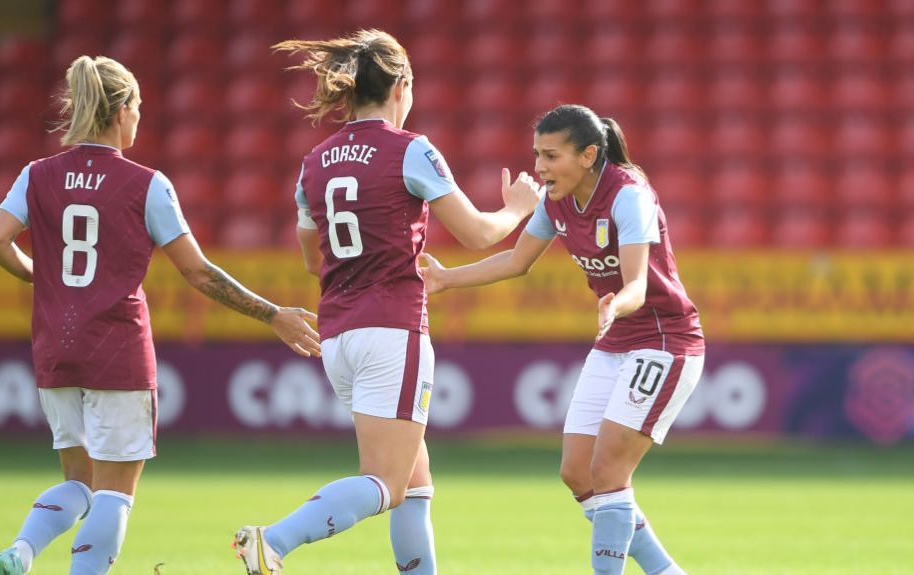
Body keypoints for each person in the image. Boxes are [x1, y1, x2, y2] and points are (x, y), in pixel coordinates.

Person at [0, 55, 321, 575]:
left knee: (78, 483)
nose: (140, 117)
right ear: (120, 110)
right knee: (116, 492)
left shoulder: (36, 175)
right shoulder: (147, 184)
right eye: (138, 107)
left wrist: (40, 274)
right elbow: (199, 273)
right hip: (116, 349)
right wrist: (273, 313)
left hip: (55, 345)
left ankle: (22, 551)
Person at [231, 29, 542, 575]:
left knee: (415, 483)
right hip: (392, 329)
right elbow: (476, 233)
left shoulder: (316, 162)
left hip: (338, 335)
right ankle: (273, 541)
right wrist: (517, 208)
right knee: (386, 483)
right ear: (402, 86)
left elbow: (312, 260)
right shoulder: (410, 149)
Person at [422, 104, 704, 575]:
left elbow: (635, 284)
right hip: (616, 341)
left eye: (551, 156)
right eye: (537, 154)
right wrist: (448, 279)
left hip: (663, 339)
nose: (539, 168)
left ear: (589, 154)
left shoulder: (628, 197)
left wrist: (615, 305)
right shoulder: (556, 202)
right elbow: (516, 260)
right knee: (577, 472)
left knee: (610, 474)